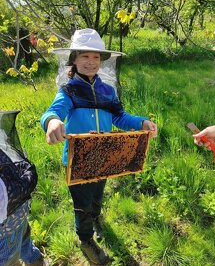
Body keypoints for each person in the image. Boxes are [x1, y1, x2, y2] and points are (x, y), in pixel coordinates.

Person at [40, 28, 157, 266]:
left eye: (95, 57)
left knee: (97, 196)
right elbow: (54, 111)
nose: (91, 62)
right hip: (78, 161)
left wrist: (142, 122)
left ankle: (96, 218)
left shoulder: (108, 91)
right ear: (74, 59)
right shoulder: (69, 90)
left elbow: (120, 117)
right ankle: (86, 239)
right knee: (82, 204)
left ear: (102, 60)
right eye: (85, 56)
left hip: (105, 157)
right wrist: (52, 121)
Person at [0, 111, 46, 266]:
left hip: (12, 220)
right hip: (14, 217)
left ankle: (33, 259)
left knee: (21, 242)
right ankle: (33, 259)